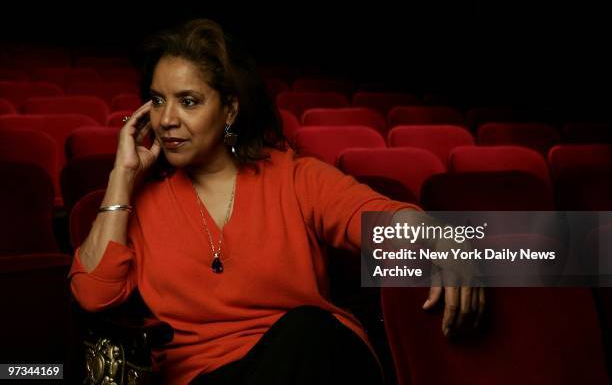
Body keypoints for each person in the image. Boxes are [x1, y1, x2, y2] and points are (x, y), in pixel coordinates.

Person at [69, 19, 485, 385]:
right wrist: (122, 177)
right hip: (207, 377)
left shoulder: (294, 176)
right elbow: (93, 295)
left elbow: (377, 218)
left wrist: (439, 238)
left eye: (189, 101)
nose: (166, 119)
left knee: (307, 328)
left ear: (229, 109)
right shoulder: (140, 202)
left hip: (316, 361)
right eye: (158, 100)